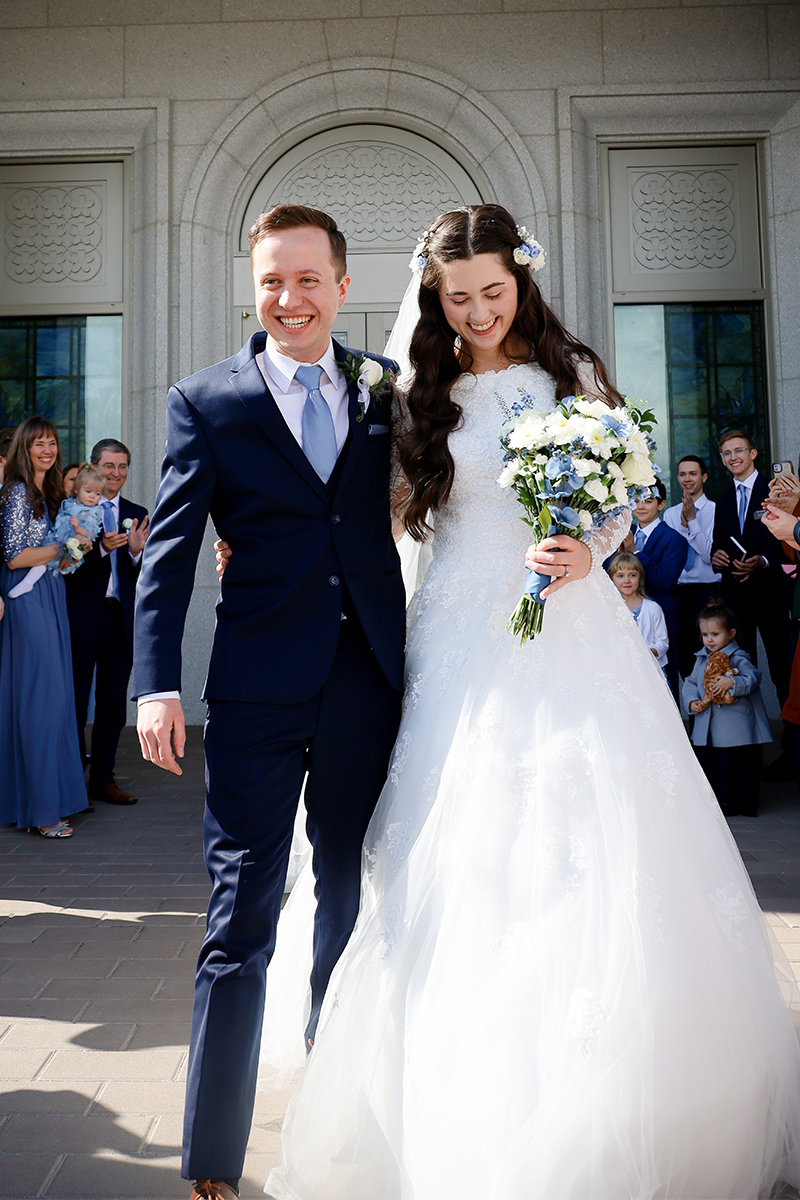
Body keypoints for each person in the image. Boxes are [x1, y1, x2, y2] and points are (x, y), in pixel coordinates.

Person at [263, 205, 800, 1200]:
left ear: (522, 280)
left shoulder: (575, 377)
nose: (472, 312)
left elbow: (615, 499)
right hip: (458, 635)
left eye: (490, 293)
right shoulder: (415, 393)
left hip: (570, 626)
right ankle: (460, 1085)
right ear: (432, 298)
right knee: (460, 847)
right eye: (453, 297)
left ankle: (621, 1082)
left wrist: (587, 547)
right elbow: (376, 515)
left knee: (589, 834)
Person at [132, 204, 406, 1200]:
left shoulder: (387, 391)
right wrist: (153, 684)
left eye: (305, 280)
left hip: (364, 682)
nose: (287, 299)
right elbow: (167, 555)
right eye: (269, 282)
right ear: (255, 289)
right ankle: (210, 1156)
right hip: (251, 693)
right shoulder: (207, 400)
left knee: (347, 891)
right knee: (237, 916)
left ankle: (329, 1089)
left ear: (339, 284)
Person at [0, 418, 89, 836]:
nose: (47, 449)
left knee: (54, 702)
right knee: (40, 703)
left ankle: (51, 801)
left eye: (52, 443)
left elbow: (55, 560)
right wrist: (61, 547)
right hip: (27, 601)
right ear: (24, 448)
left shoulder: (50, 493)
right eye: (39, 443)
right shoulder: (18, 493)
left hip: (51, 595)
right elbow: (15, 558)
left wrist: (74, 553)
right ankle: (42, 812)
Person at [64, 439, 148, 808]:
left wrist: (133, 552)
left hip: (120, 618)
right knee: (76, 701)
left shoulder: (138, 511)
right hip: (82, 617)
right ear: (95, 467)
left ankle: (103, 779)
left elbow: (148, 571)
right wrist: (100, 549)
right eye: (109, 466)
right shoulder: (76, 508)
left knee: (113, 702)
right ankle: (68, 781)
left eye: (122, 466)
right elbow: (64, 568)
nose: (116, 473)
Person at [711, 429, 793, 778]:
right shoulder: (722, 498)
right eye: (727, 453)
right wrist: (716, 557)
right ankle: (746, 757)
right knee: (739, 673)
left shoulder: (774, 491)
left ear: (754, 453)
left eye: (739, 451)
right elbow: (719, 541)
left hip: (772, 595)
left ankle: (792, 754)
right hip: (736, 600)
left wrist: (762, 560)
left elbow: (789, 541)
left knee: (782, 673)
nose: (733, 458)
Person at [683, 600, 772, 818]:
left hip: (735, 728)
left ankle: (736, 803)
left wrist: (731, 683)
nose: (709, 640)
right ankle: (716, 802)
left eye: (715, 634)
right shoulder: (701, 658)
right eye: (705, 634)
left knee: (735, 767)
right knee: (712, 765)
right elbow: (691, 682)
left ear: (730, 633)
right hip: (709, 725)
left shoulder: (738, 656)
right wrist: (691, 701)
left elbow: (752, 678)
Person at [624, 479, 688, 697]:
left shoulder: (675, 539)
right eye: (636, 500)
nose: (641, 506)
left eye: (648, 501)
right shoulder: (624, 533)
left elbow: (665, 580)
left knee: (664, 689)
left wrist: (635, 553)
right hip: (625, 617)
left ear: (661, 505)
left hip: (660, 622)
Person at [8, 461, 105, 596]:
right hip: (57, 538)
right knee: (44, 559)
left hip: (69, 546)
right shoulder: (68, 503)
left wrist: (77, 530)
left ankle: (27, 583)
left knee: (49, 562)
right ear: (76, 489)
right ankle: (28, 582)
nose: (92, 497)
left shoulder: (92, 513)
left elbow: (89, 534)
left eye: (97, 494)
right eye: (88, 491)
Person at [663, 454, 721, 678]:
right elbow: (673, 557)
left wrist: (691, 520)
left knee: (710, 656)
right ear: (677, 478)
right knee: (684, 658)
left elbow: (709, 555)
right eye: (683, 474)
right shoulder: (669, 514)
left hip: (708, 592)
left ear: (704, 477)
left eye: (693, 474)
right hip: (678, 592)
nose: (688, 479)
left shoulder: (716, 510)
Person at [607, 550, 669, 671]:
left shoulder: (652, 608)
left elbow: (663, 642)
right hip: (621, 669)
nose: (627, 580)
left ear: (640, 577)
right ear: (612, 579)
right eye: (620, 576)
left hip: (651, 670)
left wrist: (650, 653)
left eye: (632, 575)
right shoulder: (610, 609)